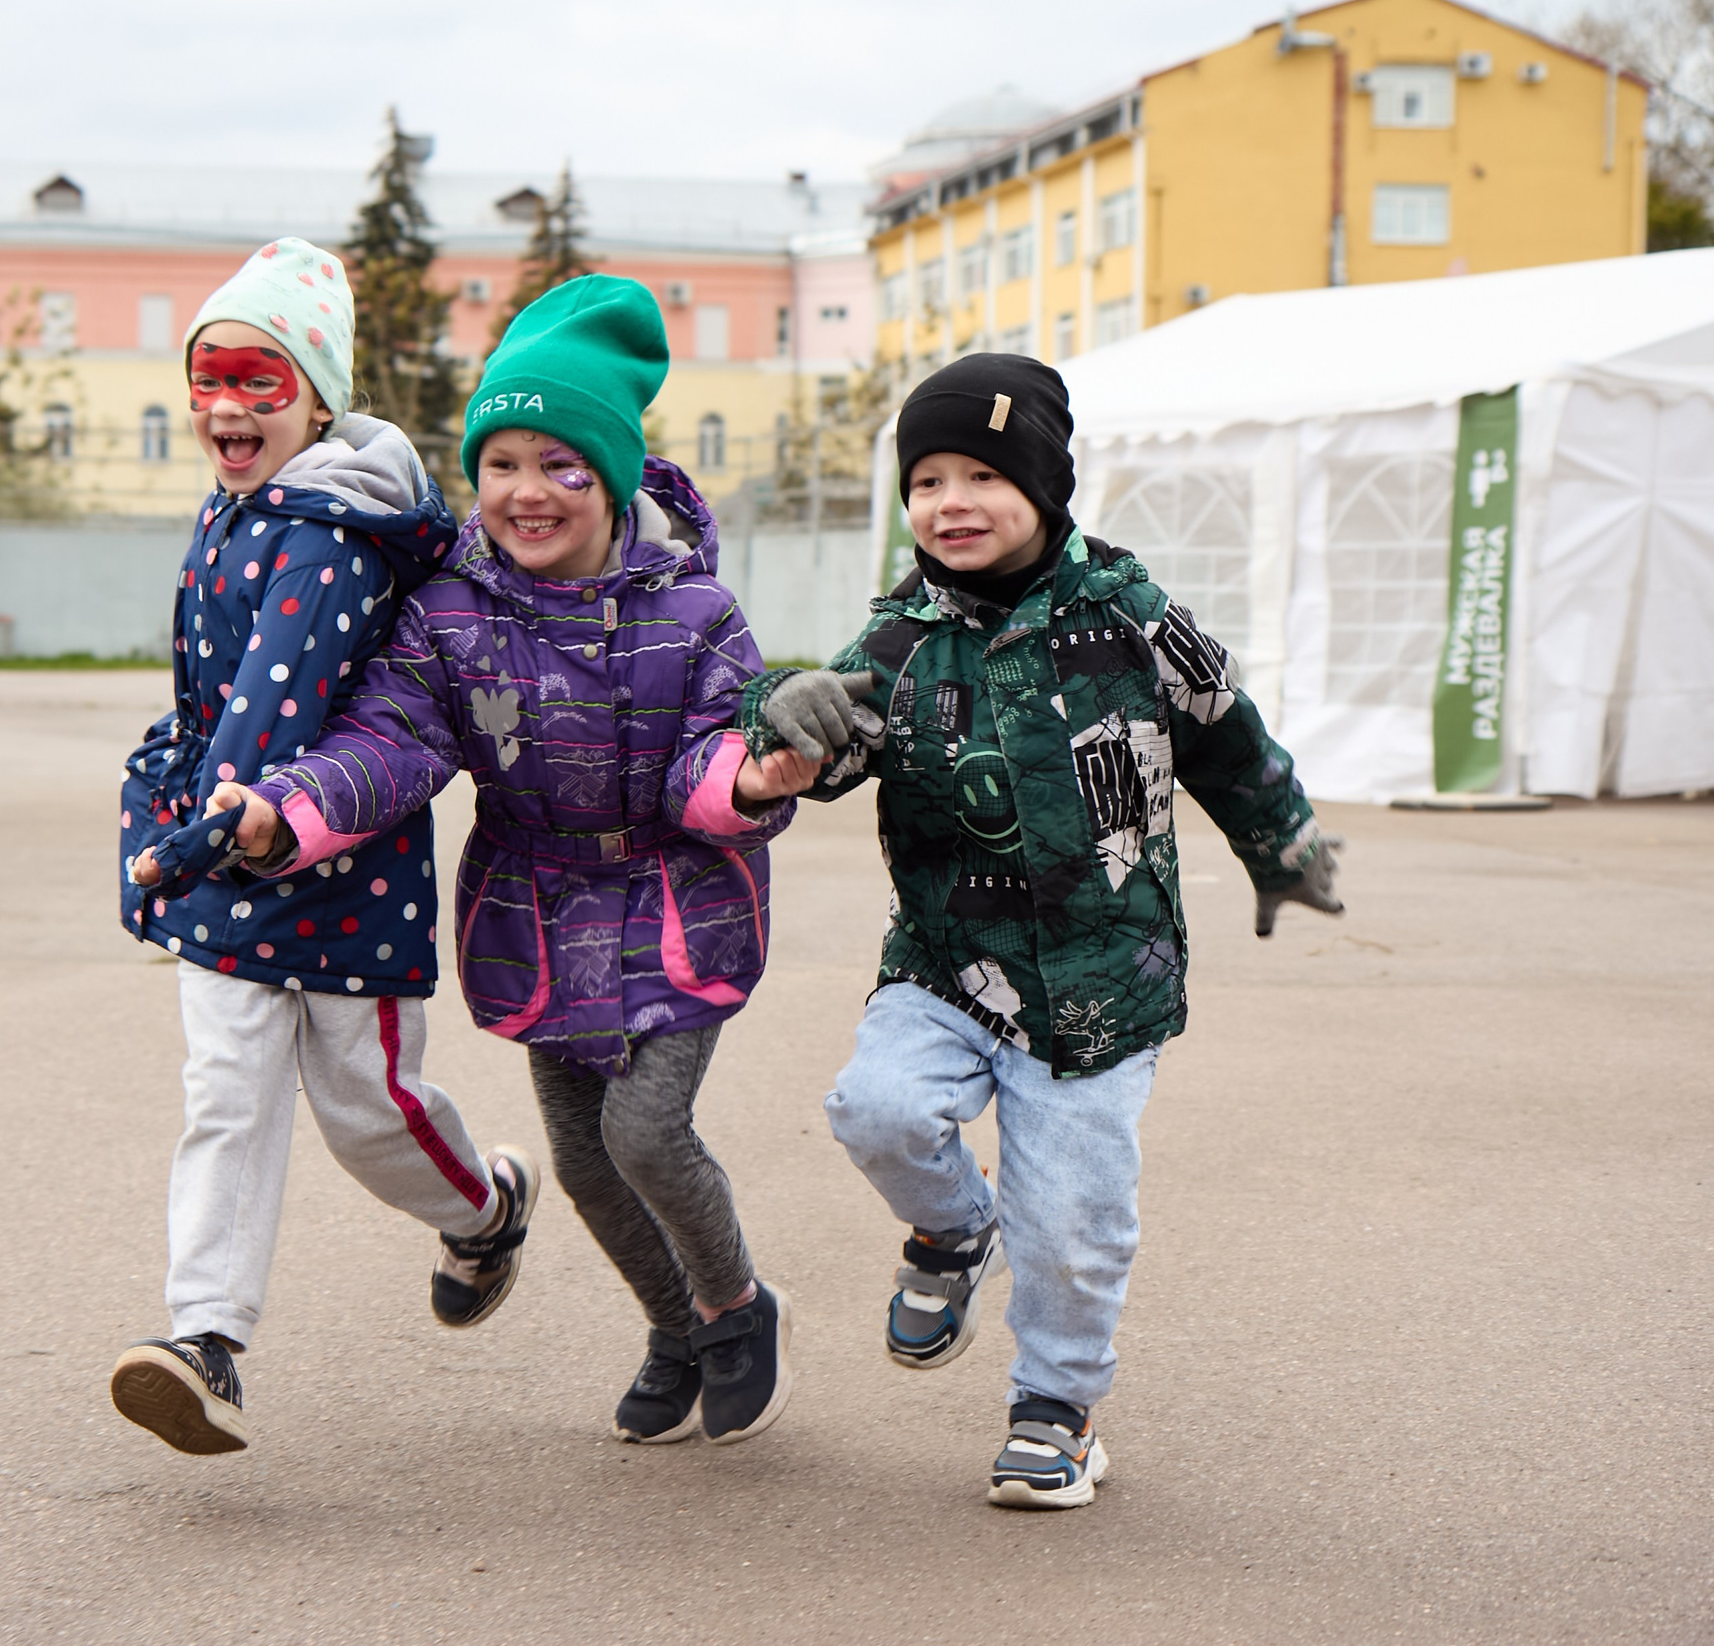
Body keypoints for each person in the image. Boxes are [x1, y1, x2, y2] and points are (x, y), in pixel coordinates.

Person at [211, 277, 813, 1446]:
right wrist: (287, 810)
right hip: (536, 907)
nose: (527, 492)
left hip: (678, 895)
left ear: (613, 478)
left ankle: (735, 1304)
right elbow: (390, 738)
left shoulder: (694, 608)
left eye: (561, 465)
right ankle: (671, 1325)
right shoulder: (445, 611)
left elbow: (719, 744)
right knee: (584, 1166)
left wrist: (748, 778)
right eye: (501, 463)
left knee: (645, 1132)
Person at [739, 353, 1344, 1507]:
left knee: (1069, 1224)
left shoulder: (1135, 619)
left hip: (1102, 983)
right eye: (926, 480)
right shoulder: (900, 638)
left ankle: (1055, 1408)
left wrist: (1286, 850)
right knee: (875, 1109)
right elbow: (820, 749)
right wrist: (785, 705)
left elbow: (1230, 741)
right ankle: (954, 1231)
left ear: (1046, 487)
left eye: (981, 475)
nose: (949, 502)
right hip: (943, 962)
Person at [109, 239, 536, 1458]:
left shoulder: (329, 530)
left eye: (258, 379)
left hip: (340, 862)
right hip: (221, 853)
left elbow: (272, 709)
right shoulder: (234, 509)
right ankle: (206, 1342)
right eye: (208, 380)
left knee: (365, 1105)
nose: (228, 407)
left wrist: (192, 833)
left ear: (315, 397)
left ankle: (487, 1207)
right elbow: (202, 698)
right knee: (227, 1096)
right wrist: (162, 805)